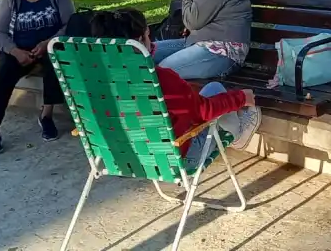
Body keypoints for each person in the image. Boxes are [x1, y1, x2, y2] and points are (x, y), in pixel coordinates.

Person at [81, 9, 261, 166]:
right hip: (172, 159)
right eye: (147, 34)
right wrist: (242, 97)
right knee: (215, 90)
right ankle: (239, 135)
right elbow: (203, 111)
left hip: (121, 156)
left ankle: (237, 133)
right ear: (139, 40)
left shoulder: (94, 80)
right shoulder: (161, 79)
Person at [0, 0, 75, 155]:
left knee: (55, 60)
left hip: (49, 45)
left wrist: (48, 43)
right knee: (4, 74)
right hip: (19, 49)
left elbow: (71, 24)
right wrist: (15, 51)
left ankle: (46, 115)